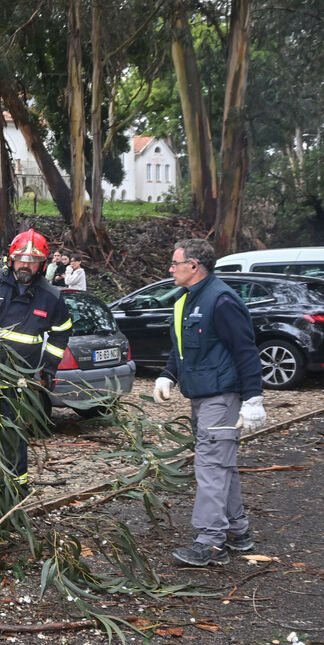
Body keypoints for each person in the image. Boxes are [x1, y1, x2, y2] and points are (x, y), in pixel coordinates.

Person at [153, 238, 265, 567]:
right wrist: (168, 374)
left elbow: (246, 350)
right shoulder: (187, 299)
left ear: (194, 266)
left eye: (175, 263)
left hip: (222, 395)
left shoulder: (221, 300)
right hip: (202, 395)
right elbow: (182, 345)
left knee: (210, 466)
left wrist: (253, 399)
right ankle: (237, 532)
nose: (171, 269)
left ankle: (211, 541)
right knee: (222, 464)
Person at [0, 229, 73, 488]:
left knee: (13, 437)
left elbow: (61, 333)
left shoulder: (51, 297)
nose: (26, 265)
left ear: (42, 265)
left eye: (32, 261)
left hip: (17, 385)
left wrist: (48, 369)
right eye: (21, 259)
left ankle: (15, 489)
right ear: (11, 259)